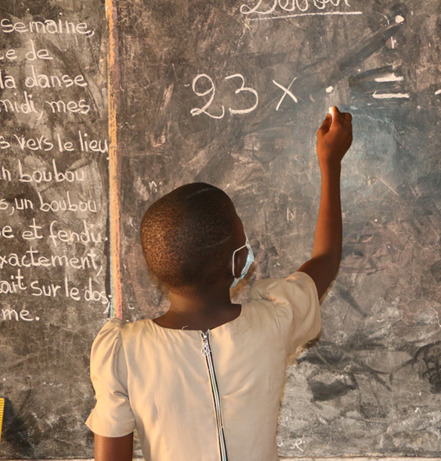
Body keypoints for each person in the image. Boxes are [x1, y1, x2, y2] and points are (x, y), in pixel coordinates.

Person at [86, 107, 353, 461]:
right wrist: (330, 162)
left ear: (158, 267)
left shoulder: (122, 352)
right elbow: (326, 259)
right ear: (239, 261)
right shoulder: (274, 320)